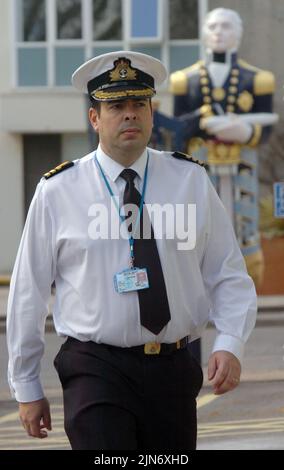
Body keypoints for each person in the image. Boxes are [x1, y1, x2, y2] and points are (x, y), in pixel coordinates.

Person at [7, 50, 257, 450]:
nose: (130, 115)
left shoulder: (189, 180)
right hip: (95, 366)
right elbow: (28, 293)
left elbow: (227, 272)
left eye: (139, 104)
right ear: (94, 118)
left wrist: (230, 343)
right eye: (116, 106)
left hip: (175, 366)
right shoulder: (58, 191)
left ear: (152, 114)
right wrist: (26, 384)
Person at [170, 8, 277, 287]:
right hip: (201, 163)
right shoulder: (184, 80)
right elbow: (178, 127)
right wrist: (204, 122)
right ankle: (200, 284)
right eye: (213, 26)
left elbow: (266, 128)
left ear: (238, 34)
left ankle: (247, 282)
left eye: (226, 26)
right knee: (201, 223)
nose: (219, 32)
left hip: (243, 163)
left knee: (245, 225)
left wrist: (246, 130)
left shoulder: (258, 79)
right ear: (204, 33)